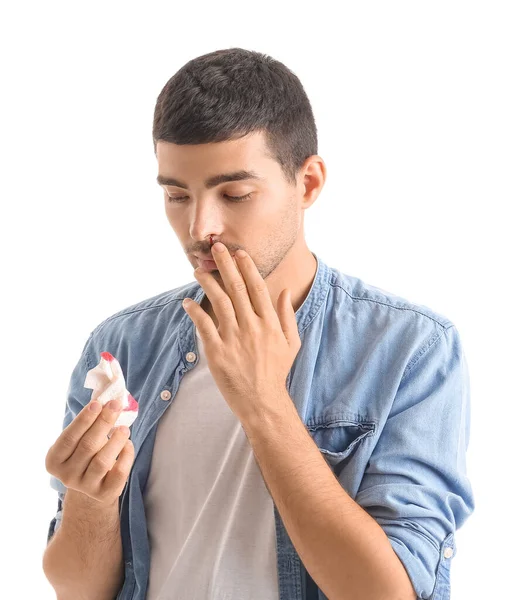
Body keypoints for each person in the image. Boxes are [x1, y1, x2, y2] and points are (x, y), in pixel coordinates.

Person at [43, 48, 474, 600]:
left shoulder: (410, 351)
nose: (201, 227)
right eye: (177, 195)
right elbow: (79, 589)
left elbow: (388, 592)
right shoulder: (121, 346)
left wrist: (264, 402)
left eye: (235, 194)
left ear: (309, 183)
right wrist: (90, 499)